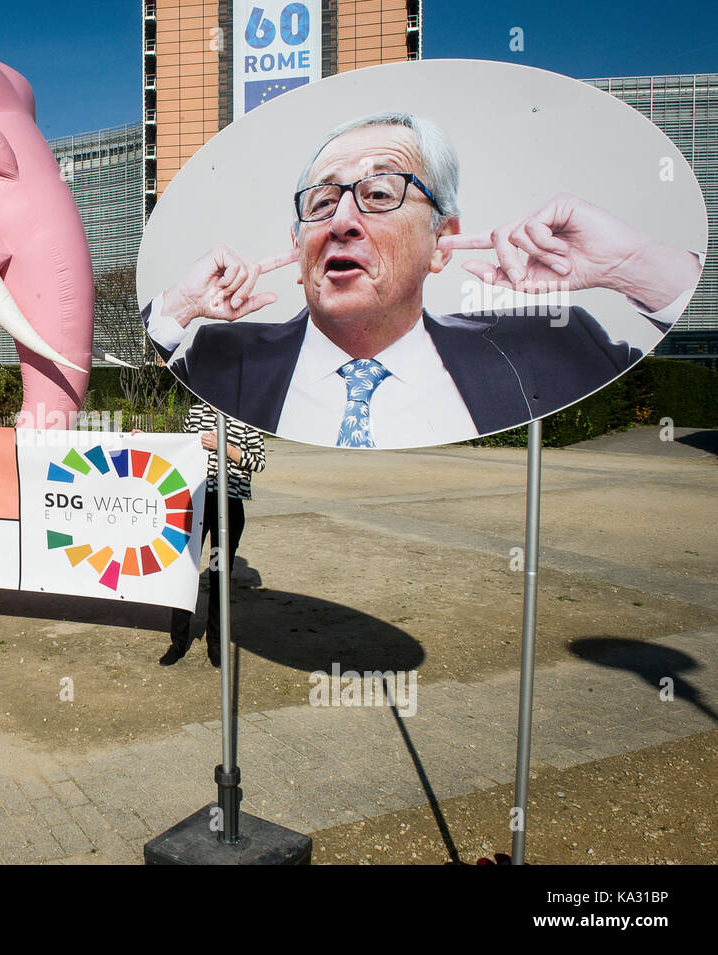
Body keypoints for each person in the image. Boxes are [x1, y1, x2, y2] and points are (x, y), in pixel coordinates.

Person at [145, 111, 702, 447]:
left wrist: (628, 265)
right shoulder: (221, 358)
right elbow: (123, 394)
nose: (341, 223)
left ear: (443, 241)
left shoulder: (552, 347)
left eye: (379, 195)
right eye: (321, 202)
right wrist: (179, 306)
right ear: (298, 247)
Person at [160, 403, 265, 669]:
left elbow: (259, 462)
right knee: (185, 572)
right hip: (195, 505)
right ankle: (178, 642)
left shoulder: (248, 413)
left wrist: (227, 449)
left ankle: (215, 645)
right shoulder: (196, 410)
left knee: (219, 576)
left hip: (228, 506)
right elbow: (181, 448)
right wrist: (149, 443)